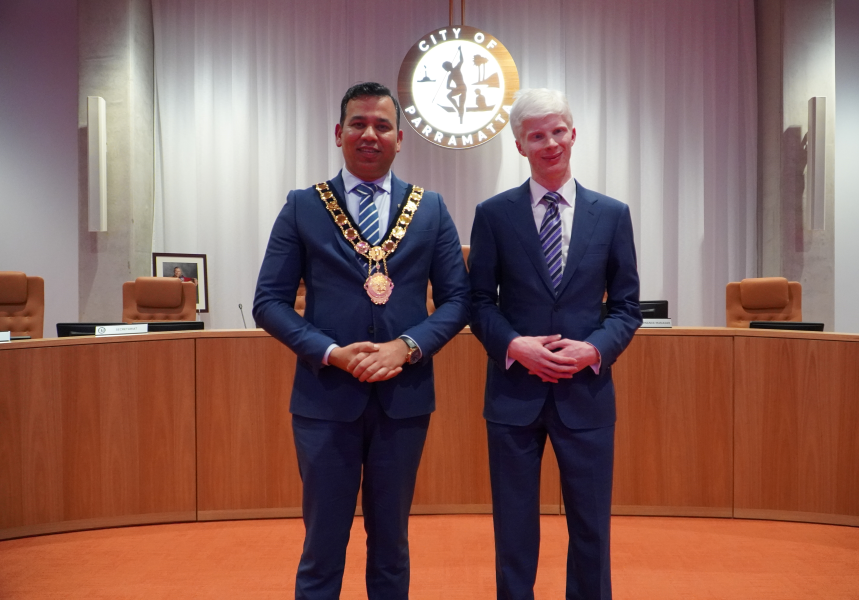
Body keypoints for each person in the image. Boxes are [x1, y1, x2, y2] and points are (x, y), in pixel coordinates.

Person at [253, 82, 469, 599]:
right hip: (326, 398)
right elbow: (269, 302)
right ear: (338, 133)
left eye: (381, 125)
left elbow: (460, 300)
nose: (369, 134)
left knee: (391, 545)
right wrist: (329, 352)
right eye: (358, 124)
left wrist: (407, 346)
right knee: (323, 546)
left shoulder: (432, 209)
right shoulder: (303, 207)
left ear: (400, 138)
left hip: (403, 399)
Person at [468, 88, 641, 599]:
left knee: (591, 529)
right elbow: (478, 302)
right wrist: (515, 345)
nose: (550, 143)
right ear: (519, 146)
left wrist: (595, 350)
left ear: (573, 134)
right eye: (536, 135)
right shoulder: (493, 214)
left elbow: (627, 306)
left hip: (586, 395)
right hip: (513, 396)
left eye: (557, 131)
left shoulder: (611, 215)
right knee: (514, 531)